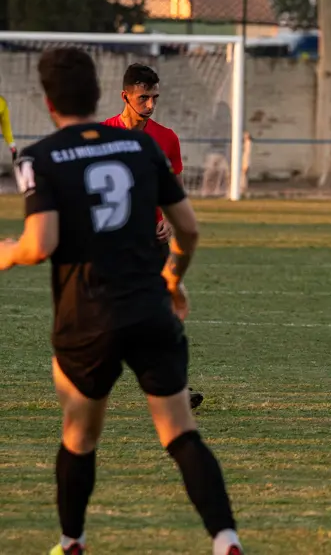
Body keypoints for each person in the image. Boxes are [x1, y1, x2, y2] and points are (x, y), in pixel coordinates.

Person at [0, 48, 243, 555]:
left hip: (86, 318)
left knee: (79, 437)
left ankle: (71, 540)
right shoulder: (139, 147)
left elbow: (39, 244)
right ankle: (225, 539)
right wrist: (173, 278)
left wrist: (6, 252)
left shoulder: (37, 157)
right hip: (151, 306)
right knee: (181, 435)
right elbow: (190, 229)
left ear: (47, 102)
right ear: (102, 96)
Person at [102, 63, 204, 409]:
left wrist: (171, 222)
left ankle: (173, 386)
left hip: (155, 240)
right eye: (143, 98)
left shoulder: (167, 137)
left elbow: (173, 190)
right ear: (125, 96)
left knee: (175, 305)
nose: (149, 105)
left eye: (154, 98)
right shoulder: (101, 136)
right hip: (114, 243)